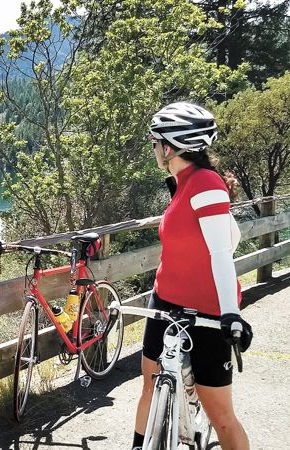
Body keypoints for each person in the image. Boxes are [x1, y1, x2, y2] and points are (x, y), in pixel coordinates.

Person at [132, 102, 253, 450]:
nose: (154, 149)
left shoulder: (205, 183)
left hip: (208, 311)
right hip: (164, 301)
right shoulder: (181, 183)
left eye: (156, 142)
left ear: (169, 147)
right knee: (150, 384)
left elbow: (221, 253)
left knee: (221, 416)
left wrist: (231, 313)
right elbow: (231, 236)